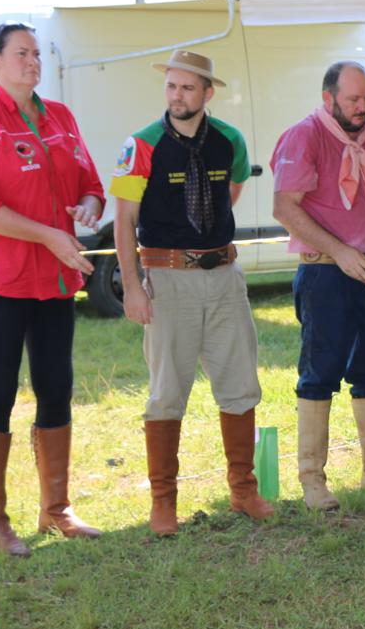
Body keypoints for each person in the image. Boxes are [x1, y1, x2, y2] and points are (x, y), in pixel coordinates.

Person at [0, 22, 107, 554]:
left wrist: (89, 206)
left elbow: (90, 181)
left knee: (56, 385)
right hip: (2, 277)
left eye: (37, 53)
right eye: (21, 53)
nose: (33, 62)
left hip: (56, 277)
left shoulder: (59, 116)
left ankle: (56, 511)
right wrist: (48, 235)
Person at [110, 50, 273, 536]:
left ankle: (243, 490)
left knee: (240, 382)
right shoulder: (142, 145)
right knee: (166, 392)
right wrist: (133, 285)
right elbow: (123, 220)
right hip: (168, 277)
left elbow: (231, 193)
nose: (177, 96)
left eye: (187, 88)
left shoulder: (230, 141)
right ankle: (164, 501)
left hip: (223, 276)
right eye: (171, 87)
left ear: (207, 93)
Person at [272, 61, 365, 509]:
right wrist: (339, 251)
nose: (362, 107)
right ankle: (312, 479)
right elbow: (284, 207)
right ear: (328, 98)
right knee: (320, 372)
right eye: (353, 99)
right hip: (324, 271)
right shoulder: (305, 136)